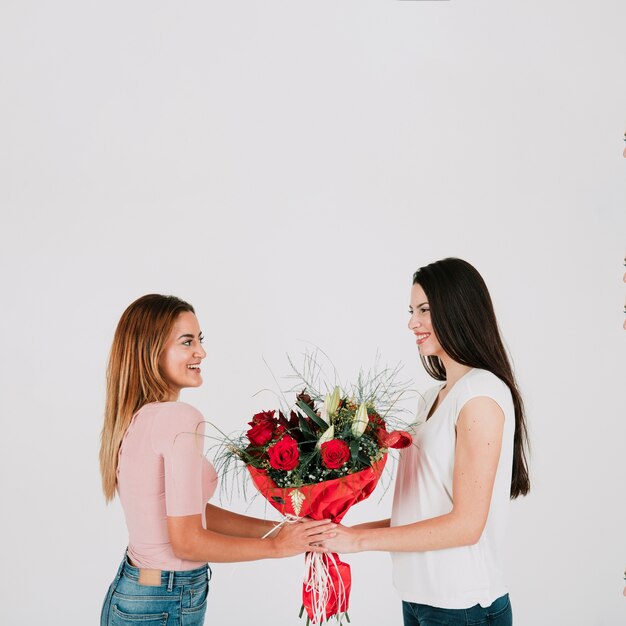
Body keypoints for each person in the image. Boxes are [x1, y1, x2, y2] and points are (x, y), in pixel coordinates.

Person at [99, 294, 335, 626]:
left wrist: (280, 531)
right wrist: (277, 547)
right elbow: (187, 542)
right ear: (152, 351)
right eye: (187, 342)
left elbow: (188, 515)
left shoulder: (138, 418)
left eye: (200, 340)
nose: (201, 352)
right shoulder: (179, 417)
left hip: (138, 590)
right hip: (163, 600)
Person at [322, 258, 530, 626]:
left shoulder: (480, 394)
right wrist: (344, 534)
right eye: (411, 310)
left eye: (424, 310)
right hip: (421, 601)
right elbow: (418, 515)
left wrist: (358, 543)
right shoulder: (433, 397)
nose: (412, 322)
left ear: (457, 310)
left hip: (462, 606)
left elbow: (466, 525)